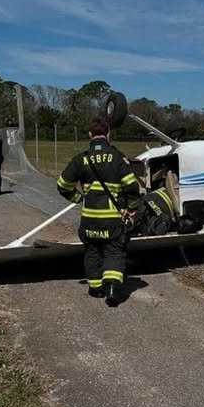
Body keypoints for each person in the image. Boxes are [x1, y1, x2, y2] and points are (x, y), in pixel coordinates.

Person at [57, 118, 141, 306]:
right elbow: (131, 186)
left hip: (89, 220)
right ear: (108, 134)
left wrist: (79, 198)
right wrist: (132, 209)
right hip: (112, 219)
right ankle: (111, 288)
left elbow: (62, 185)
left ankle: (95, 288)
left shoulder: (81, 158)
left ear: (89, 135)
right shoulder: (117, 157)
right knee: (114, 252)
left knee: (92, 251)